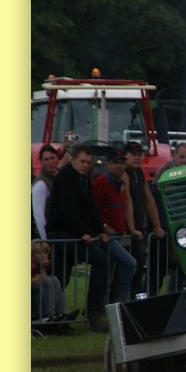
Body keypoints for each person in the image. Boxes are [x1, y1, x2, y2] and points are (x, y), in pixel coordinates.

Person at [45, 144, 114, 331]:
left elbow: (90, 206)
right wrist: (82, 232)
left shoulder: (82, 178)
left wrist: (98, 230)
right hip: (62, 234)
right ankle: (88, 311)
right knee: (93, 264)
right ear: (73, 160)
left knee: (62, 274)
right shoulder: (66, 177)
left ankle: (58, 315)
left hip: (70, 234)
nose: (86, 165)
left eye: (89, 163)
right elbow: (69, 209)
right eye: (83, 161)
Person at [91, 150, 139, 308]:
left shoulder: (120, 183)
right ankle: (118, 304)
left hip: (116, 235)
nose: (120, 166)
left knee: (109, 274)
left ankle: (107, 307)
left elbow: (123, 205)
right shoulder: (101, 182)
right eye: (116, 162)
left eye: (122, 163)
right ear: (108, 164)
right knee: (129, 264)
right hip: (106, 237)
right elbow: (93, 209)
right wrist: (103, 228)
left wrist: (128, 228)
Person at [124, 142, 166, 296]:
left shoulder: (139, 173)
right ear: (125, 155)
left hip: (139, 229)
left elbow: (149, 200)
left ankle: (135, 299)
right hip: (126, 230)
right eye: (133, 154)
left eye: (139, 154)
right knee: (128, 268)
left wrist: (157, 225)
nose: (137, 157)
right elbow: (127, 200)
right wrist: (131, 228)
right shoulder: (124, 173)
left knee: (138, 267)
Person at [31, 239, 73, 322]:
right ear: (32, 255)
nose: (43, 255)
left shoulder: (38, 264)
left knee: (54, 279)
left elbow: (42, 279)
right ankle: (50, 315)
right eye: (39, 253)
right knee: (48, 282)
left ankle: (60, 312)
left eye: (45, 253)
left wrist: (43, 267)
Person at [32, 144, 59, 240]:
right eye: (46, 159)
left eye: (52, 158)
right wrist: (45, 239)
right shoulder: (41, 184)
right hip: (45, 235)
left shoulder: (59, 176)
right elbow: (39, 215)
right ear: (41, 162)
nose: (50, 162)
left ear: (57, 158)